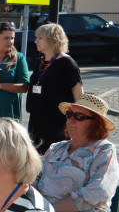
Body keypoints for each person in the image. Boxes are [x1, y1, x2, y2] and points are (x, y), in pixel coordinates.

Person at [36, 94, 119, 212]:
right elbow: (34, 179)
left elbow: (97, 192)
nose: (71, 120)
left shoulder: (103, 150)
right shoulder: (56, 148)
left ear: (97, 124)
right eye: (69, 114)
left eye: (79, 116)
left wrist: (49, 209)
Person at [27, 23, 83, 153]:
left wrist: (76, 122)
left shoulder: (66, 63)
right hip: (36, 120)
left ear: (53, 40)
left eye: (40, 38)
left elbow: (79, 96)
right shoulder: (39, 62)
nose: (35, 41)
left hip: (57, 123)